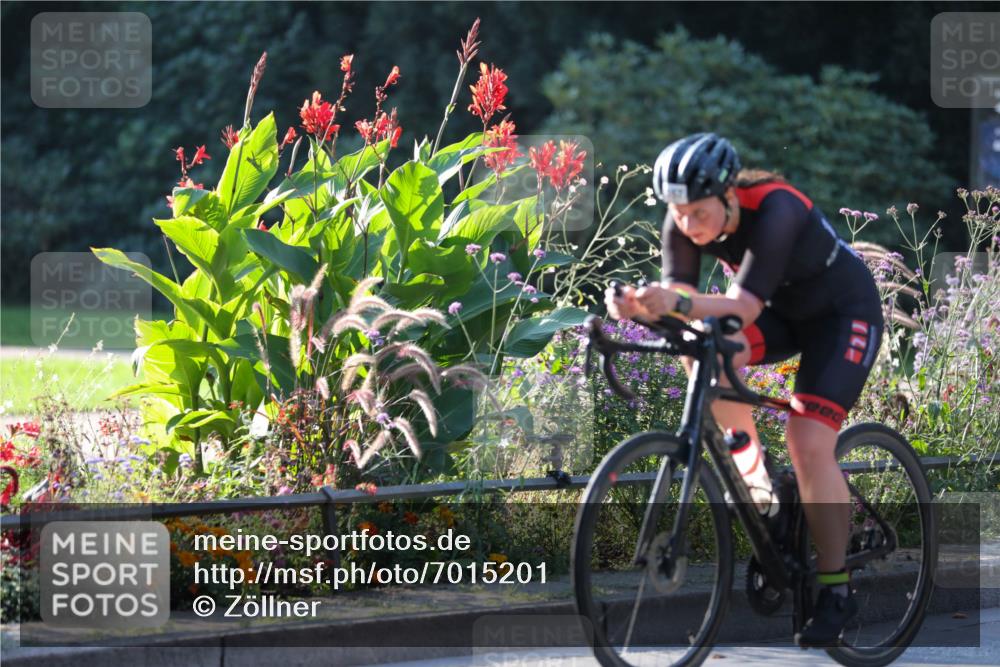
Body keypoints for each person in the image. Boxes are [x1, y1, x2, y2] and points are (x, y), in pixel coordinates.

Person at [605, 132, 884, 647]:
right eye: (679, 213)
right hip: (782, 315)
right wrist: (640, 305)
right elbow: (684, 299)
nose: (688, 224)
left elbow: (743, 309)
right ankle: (765, 495)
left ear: (729, 194)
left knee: (807, 441)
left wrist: (673, 303)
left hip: (841, 316)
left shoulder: (777, 207)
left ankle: (836, 588)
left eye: (698, 212)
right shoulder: (681, 220)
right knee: (702, 354)